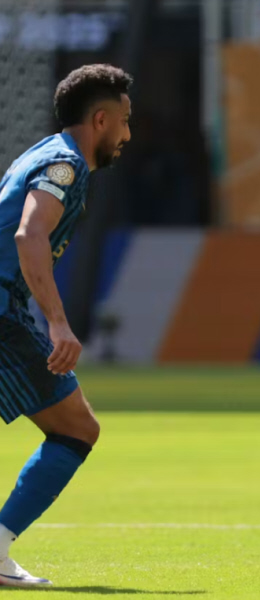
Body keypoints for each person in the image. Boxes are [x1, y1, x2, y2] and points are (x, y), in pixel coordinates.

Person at [0, 64, 133, 587]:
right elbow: (29, 235)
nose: (127, 135)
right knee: (77, 428)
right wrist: (58, 323)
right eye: (124, 121)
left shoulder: (40, 152)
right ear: (100, 120)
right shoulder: (65, 164)